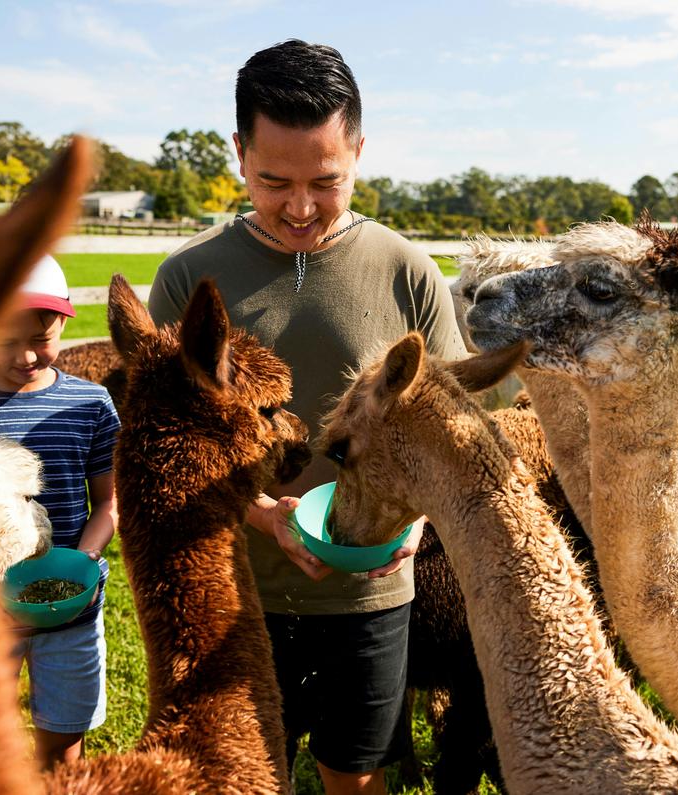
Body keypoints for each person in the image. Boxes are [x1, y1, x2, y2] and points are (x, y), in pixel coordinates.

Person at [147, 39, 466, 795]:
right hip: (231, 591)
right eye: (273, 181)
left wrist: (413, 521)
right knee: (239, 776)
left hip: (371, 592)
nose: (299, 206)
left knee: (354, 775)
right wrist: (260, 513)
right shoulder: (189, 278)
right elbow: (161, 446)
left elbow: (448, 429)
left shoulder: (407, 272)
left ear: (360, 150)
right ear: (238, 154)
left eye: (327, 181)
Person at [0, 254, 120, 770]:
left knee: (63, 747)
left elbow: (111, 501)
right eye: (6, 340)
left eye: (41, 338)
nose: (25, 355)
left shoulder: (90, 405)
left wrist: (84, 564)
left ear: (64, 321)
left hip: (69, 609)